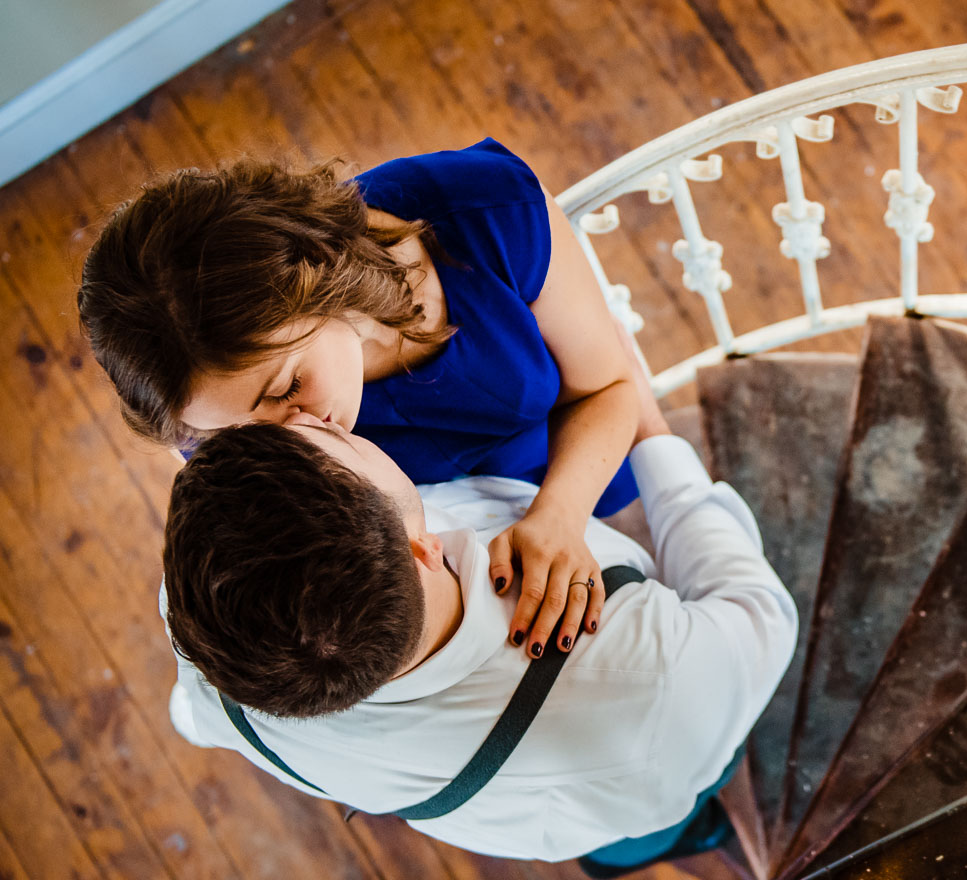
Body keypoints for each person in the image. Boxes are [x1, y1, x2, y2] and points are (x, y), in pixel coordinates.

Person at [159, 378, 798, 873]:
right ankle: (686, 831)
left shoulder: (212, 653)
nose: (303, 413)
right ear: (424, 550)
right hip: (665, 758)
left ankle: (646, 849)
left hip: (505, 824)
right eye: (338, 440)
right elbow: (758, 610)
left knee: (611, 850)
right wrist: (649, 428)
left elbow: (193, 718)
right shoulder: (657, 668)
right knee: (667, 812)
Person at [79, 138, 634, 662]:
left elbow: (610, 386)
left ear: (318, 274)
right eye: (237, 434)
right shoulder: (210, 429)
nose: (296, 441)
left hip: (584, 473)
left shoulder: (485, 210)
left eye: (286, 389)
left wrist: (561, 514)